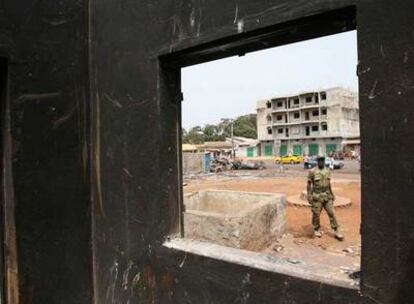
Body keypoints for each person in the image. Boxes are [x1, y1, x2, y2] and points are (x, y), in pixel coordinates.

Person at [307, 156, 344, 240]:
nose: (321, 162)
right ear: (317, 161)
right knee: (316, 214)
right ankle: (316, 229)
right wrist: (309, 195)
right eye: (319, 160)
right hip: (317, 196)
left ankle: (337, 230)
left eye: (322, 160)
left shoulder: (327, 170)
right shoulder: (312, 171)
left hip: (327, 195)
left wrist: (332, 193)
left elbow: (329, 183)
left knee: (332, 213)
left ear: (324, 161)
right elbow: (309, 184)